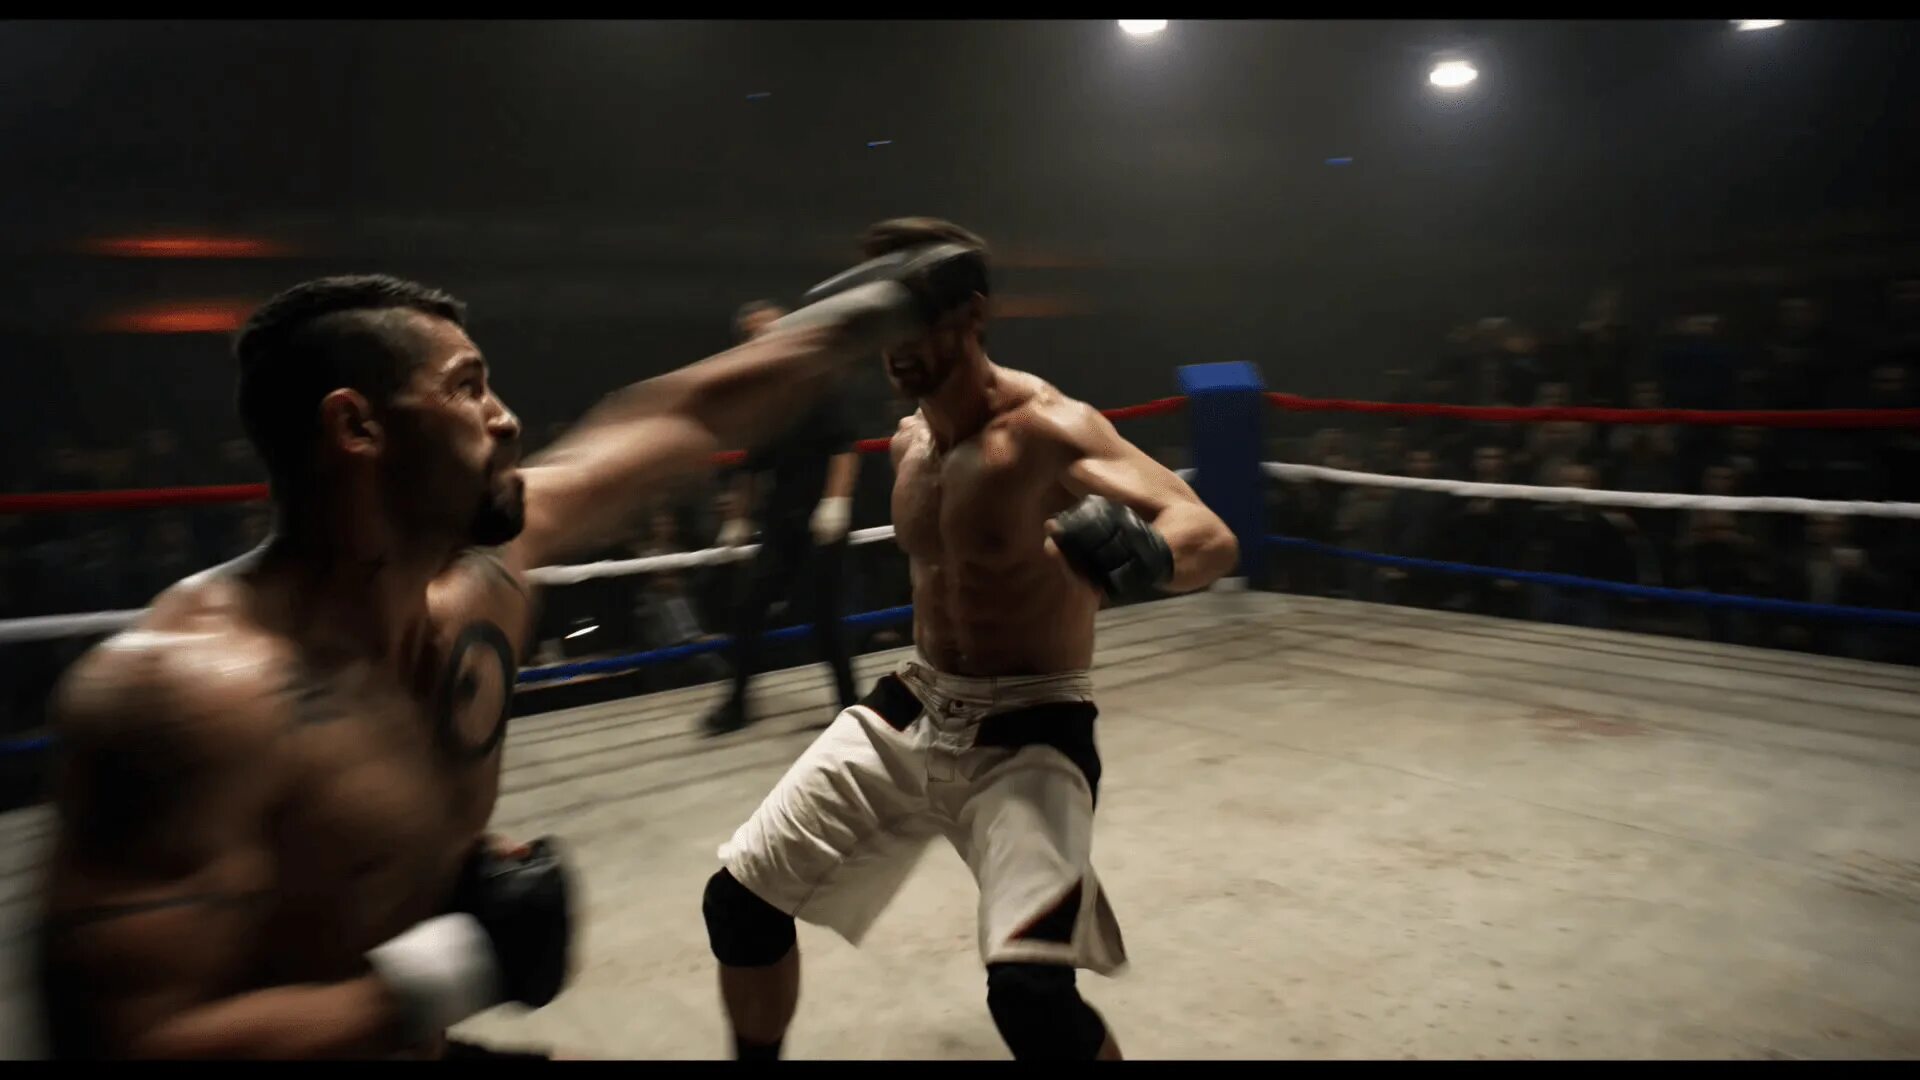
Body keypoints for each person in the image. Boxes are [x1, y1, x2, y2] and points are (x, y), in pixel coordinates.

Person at [32, 249, 984, 1060]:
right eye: (467, 387)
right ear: (356, 427)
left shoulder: (489, 573)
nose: (506, 418)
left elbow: (685, 416)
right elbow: (122, 1040)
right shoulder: (184, 694)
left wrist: (884, 306)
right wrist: (445, 970)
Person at [700, 218, 1239, 1061]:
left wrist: (1150, 553)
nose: (896, 346)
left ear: (973, 315)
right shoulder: (909, 442)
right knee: (737, 902)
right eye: (881, 323)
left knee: (1030, 998)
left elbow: (1209, 533)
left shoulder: (1045, 429)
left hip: (1032, 729)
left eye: (913, 319)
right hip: (915, 703)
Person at [704, 300, 861, 735]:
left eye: (771, 328)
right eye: (755, 332)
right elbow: (751, 467)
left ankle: (850, 705)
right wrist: (737, 519)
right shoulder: (763, 398)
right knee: (748, 608)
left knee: (825, 617)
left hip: (821, 519)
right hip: (781, 520)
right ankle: (736, 704)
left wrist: (836, 502)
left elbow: (844, 447)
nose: (765, 337)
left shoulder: (817, 379)